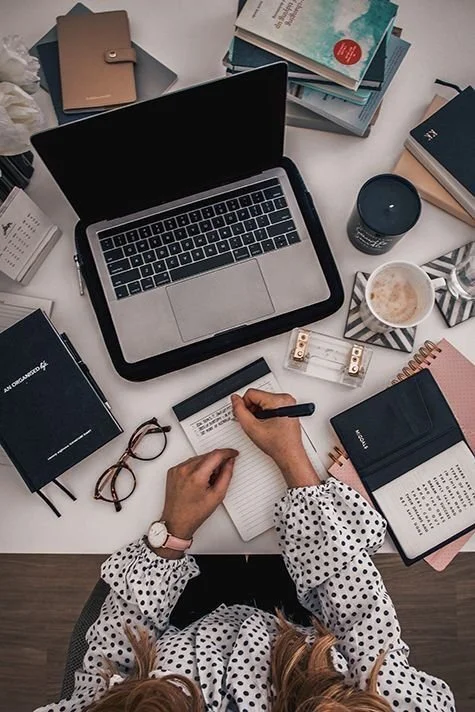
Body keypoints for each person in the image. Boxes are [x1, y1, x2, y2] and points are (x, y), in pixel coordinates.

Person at [35, 389, 455, 712]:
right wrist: (294, 462)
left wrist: (170, 537)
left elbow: (109, 664)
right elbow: (360, 618)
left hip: (167, 629)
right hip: (308, 630)